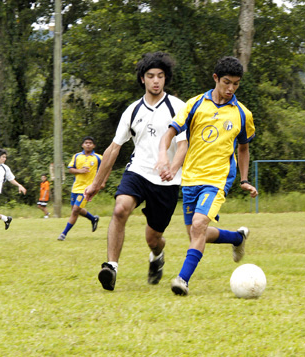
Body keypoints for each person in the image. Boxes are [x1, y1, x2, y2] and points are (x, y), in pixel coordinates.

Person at [84, 52, 188, 291]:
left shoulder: (178, 107)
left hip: (167, 182)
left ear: (165, 79)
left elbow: (184, 145)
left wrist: (172, 169)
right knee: (120, 209)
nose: (155, 81)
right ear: (142, 79)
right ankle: (111, 267)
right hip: (138, 172)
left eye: (160, 76)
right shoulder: (132, 110)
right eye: (150, 76)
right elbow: (113, 149)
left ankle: (157, 256)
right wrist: (97, 183)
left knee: (153, 239)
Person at [156, 56, 258, 296]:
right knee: (195, 232)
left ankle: (183, 279)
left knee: (200, 225)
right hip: (190, 177)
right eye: (226, 82)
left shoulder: (243, 114)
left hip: (218, 178)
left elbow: (243, 148)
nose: (230, 88)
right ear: (215, 78)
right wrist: (165, 158)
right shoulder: (194, 105)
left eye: (235, 84)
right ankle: (237, 238)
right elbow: (169, 133)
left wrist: (244, 179)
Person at [57, 136, 102, 241]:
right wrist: (80, 171)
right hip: (76, 187)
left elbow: (106, 169)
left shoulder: (98, 158)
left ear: (94, 145)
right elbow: (70, 169)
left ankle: (63, 234)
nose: (88, 144)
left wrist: (101, 183)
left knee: (76, 210)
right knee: (75, 209)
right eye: (86, 142)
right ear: (82, 145)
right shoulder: (77, 156)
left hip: (87, 189)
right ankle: (93, 218)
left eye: (90, 143)